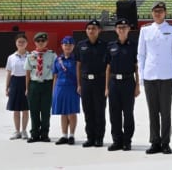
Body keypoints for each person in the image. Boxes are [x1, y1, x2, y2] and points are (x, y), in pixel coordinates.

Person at [138, 1, 172, 155]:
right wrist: (142, 76)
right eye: (155, 11)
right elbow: (141, 55)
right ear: (152, 13)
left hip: (166, 75)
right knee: (153, 111)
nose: (158, 13)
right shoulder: (145, 30)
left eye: (161, 11)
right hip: (150, 75)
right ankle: (154, 141)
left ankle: (165, 142)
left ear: (165, 12)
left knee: (165, 111)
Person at [105, 18, 140, 151]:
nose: (121, 29)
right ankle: (116, 141)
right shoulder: (111, 46)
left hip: (128, 82)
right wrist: (106, 87)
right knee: (114, 113)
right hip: (114, 83)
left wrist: (137, 85)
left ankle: (127, 141)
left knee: (128, 113)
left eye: (124, 27)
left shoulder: (134, 46)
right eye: (119, 27)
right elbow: (108, 68)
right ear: (115, 30)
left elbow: (136, 67)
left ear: (128, 29)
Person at [76, 19, 108, 148]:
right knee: (88, 111)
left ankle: (99, 138)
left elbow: (108, 67)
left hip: (100, 81)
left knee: (99, 111)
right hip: (85, 82)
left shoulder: (105, 46)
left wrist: (106, 85)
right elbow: (78, 65)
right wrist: (79, 84)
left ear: (99, 30)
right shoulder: (81, 45)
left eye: (94, 28)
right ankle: (90, 137)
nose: (91, 31)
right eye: (89, 28)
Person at [25, 31, 56, 143]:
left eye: (43, 41)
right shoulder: (30, 56)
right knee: (34, 111)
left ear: (47, 42)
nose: (41, 43)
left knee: (46, 111)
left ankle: (44, 134)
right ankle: (34, 134)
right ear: (35, 42)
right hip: (34, 84)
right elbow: (28, 73)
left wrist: (53, 88)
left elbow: (55, 73)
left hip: (47, 84)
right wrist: (27, 88)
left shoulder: (52, 55)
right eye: (38, 41)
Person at [52, 36, 81, 145]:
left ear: (73, 46)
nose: (67, 47)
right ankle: (64, 135)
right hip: (60, 87)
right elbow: (55, 76)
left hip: (72, 87)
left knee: (71, 112)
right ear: (62, 46)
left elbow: (79, 74)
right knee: (63, 113)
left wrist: (79, 86)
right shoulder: (58, 59)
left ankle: (72, 135)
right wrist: (54, 91)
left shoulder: (76, 60)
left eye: (70, 45)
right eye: (65, 44)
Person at [5, 34, 30, 140]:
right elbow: (9, 73)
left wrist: (29, 87)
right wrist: (7, 87)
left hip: (26, 82)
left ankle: (24, 131)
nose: (21, 44)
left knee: (25, 109)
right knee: (16, 109)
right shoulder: (11, 57)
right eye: (19, 42)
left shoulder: (31, 56)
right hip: (15, 82)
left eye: (23, 41)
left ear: (27, 43)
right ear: (16, 43)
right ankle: (17, 131)